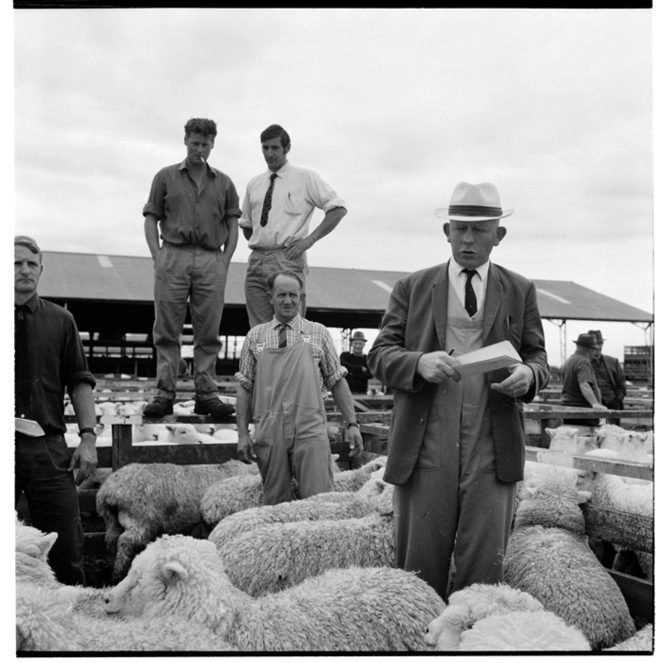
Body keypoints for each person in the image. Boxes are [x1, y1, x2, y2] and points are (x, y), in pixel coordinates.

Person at [367, 181, 549, 600]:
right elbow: (379, 354)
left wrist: (529, 374)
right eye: (460, 228)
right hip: (426, 442)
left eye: (480, 229)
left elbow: (538, 356)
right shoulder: (411, 287)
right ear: (446, 231)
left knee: (484, 574)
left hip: (492, 442)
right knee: (417, 571)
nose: (468, 239)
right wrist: (417, 362)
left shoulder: (520, 290)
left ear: (498, 235)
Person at [235, 271, 363, 505]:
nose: (288, 300)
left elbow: (336, 380)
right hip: (270, 427)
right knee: (275, 501)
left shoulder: (318, 332)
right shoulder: (255, 337)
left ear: (301, 297)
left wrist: (352, 424)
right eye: (281, 294)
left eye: (293, 295)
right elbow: (244, 386)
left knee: (321, 499)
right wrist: (243, 434)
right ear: (270, 297)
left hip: (309, 426)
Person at [142, 118, 240, 418]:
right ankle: (164, 393)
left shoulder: (224, 183)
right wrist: (158, 256)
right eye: (195, 143)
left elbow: (232, 223)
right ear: (185, 141)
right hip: (174, 253)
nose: (200, 149)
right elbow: (151, 218)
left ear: (213, 145)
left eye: (205, 144)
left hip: (211, 257)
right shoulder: (165, 177)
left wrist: (225, 259)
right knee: (167, 328)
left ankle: (207, 394)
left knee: (208, 330)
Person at [15, 235, 98, 585]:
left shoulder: (61, 320)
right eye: (16, 263)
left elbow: (79, 381)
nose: (24, 270)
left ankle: (71, 624)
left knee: (65, 547)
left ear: (41, 270)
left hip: (47, 447)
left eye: (32, 264)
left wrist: (89, 438)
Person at [239, 124, 347, 328]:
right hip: (256, 260)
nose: (269, 153)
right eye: (265, 148)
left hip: (287, 257)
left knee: (289, 327)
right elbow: (246, 225)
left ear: (287, 148)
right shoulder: (254, 184)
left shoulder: (305, 178)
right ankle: (266, 361)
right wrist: (264, 242)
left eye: (274, 148)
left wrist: (309, 241)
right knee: (259, 331)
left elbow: (337, 209)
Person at [561, 332, 608, 425]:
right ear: (590, 349)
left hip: (568, 409)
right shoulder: (583, 363)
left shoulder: (570, 360)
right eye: (594, 349)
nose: (595, 352)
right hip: (583, 411)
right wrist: (595, 404)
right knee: (587, 438)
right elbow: (584, 385)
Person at [588, 329, 627, 410]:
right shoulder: (583, 363)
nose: (597, 351)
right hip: (591, 405)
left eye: (599, 347)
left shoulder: (613, 362)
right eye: (594, 348)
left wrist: (617, 400)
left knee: (613, 423)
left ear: (602, 344)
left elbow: (621, 384)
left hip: (612, 405)